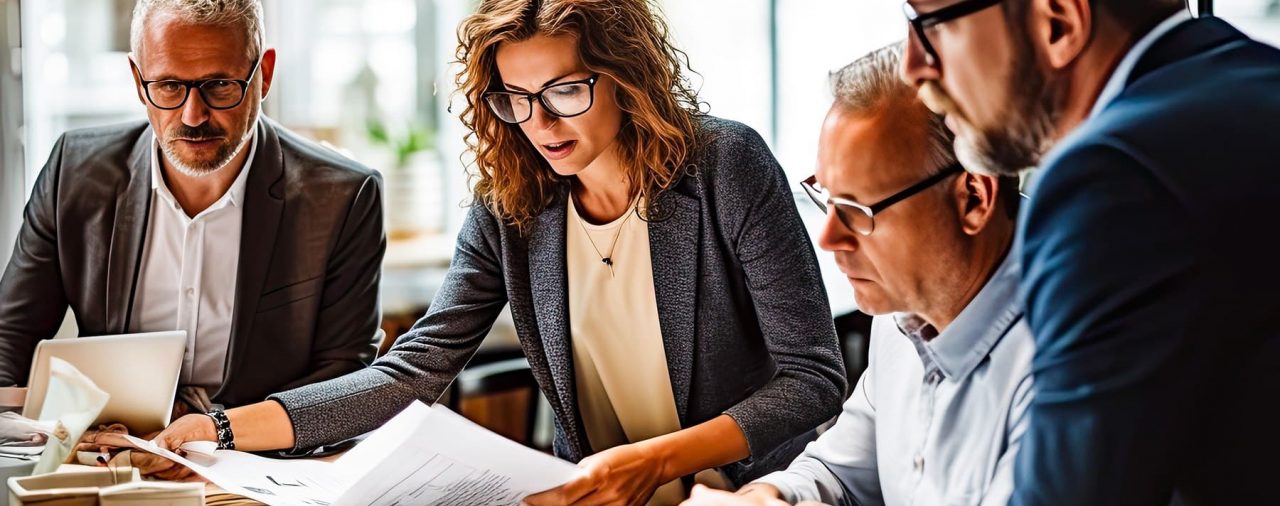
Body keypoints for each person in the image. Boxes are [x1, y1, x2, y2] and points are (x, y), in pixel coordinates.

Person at [156, 0, 847, 503]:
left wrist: (656, 462)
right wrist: (218, 429)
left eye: (565, 91)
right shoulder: (512, 202)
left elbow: (812, 378)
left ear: (628, 77)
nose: (539, 124)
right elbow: (413, 371)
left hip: (741, 495)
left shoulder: (727, 164)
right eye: (515, 98)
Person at [898, 0, 1280, 504]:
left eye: (931, 25)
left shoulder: (1111, 180)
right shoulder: (1252, 81)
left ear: (1057, 21)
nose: (912, 65)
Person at [0, 0, 384, 465]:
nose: (193, 114)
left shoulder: (344, 197)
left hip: (261, 467)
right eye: (168, 85)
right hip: (108, 463)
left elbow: (345, 381)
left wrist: (218, 436)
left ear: (264, 73)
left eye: (219, 85)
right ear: (138, 81)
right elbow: (7, 344)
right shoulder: (75, 173)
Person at [683, 43, 1028, 506]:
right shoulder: (902, 306)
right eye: (827, 196)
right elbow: (842, 470)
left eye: (858, 209)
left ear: (973, 198)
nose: (828, 238)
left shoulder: (1070, 352)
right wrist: (768, 496)